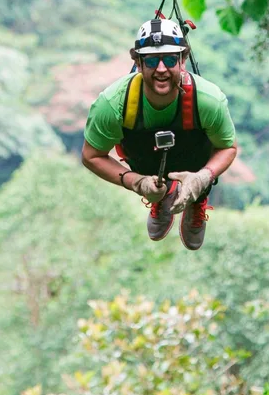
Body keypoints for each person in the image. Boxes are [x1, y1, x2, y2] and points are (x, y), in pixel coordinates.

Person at [81, 18, 238, 250]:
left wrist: (202, 178)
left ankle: (196, 197)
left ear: (182, 60)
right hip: (145, 162)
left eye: (170, 59)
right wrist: (136, 182)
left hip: (194, 159)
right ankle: (161, 194)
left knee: (200, 147)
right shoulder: (114, 104)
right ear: (138, 63)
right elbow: (91, 155)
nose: (161, 69)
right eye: (152, 60)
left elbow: (228, 147)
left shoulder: (207, 100)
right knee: (140, 143)